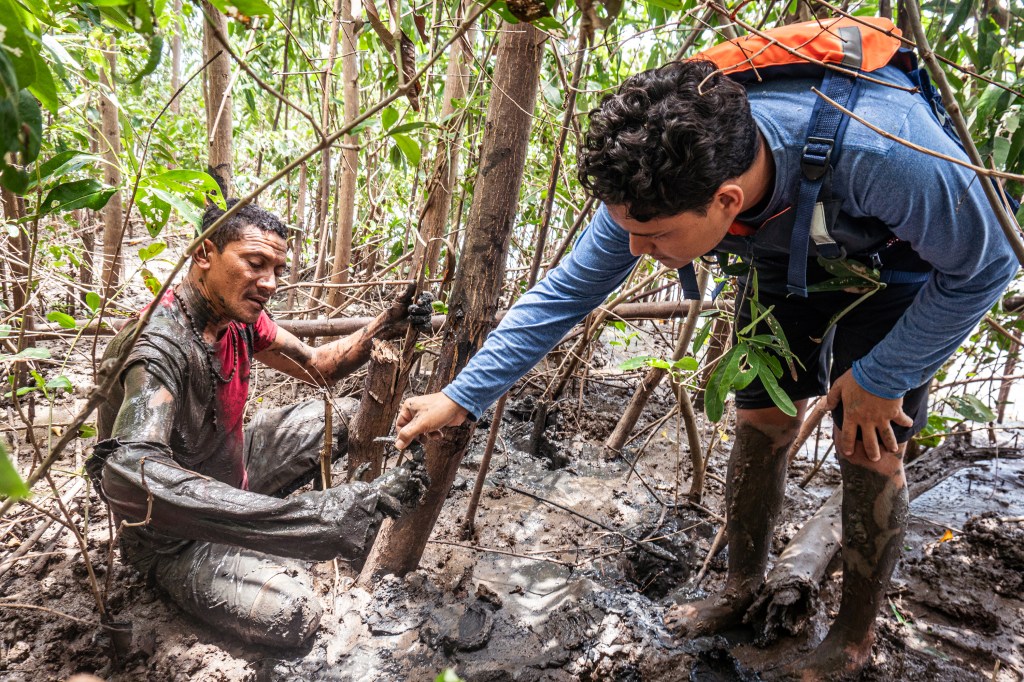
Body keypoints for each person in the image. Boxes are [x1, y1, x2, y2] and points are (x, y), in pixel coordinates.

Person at [390, 52, 1018, 678]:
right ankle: (741, 587)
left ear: (726, 200)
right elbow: (566, 292)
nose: (636, 249)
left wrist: (884, 378)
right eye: (628, 231)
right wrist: (462, 395)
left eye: (655, 238)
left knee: (868, 441)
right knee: (761, 413)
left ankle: (852, 640)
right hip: (780, 250)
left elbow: (989, 263)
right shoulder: (651, 194)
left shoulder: (889, 155)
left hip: (898, 268)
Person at [90, 199, 433, 647]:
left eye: (277, 268)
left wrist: (387, 322)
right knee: (294, 613)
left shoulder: (239, 319)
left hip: (236, 474)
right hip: (175, 535)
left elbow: (321, 364)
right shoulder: (157, 346)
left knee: (345, 416)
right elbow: (130, 473)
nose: (269, 283)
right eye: (255, 263)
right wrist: (321, 514)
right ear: (203, 254)